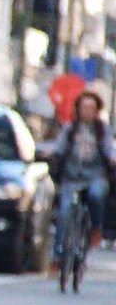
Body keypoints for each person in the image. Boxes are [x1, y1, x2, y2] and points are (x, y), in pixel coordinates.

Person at [45, 91, 115, 254]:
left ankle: (96, 227)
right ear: (78, 109)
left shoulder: (102, 129)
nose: (87, 111)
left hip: (96, 176)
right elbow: (60, 147)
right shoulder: (70, 128)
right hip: (71, 178)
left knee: (96, 195)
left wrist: (112, 158)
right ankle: (57, 254)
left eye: (91, 108)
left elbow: (108, 149)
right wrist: (52, 153)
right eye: (84, 107)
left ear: (97, 111)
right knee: (63, 212)